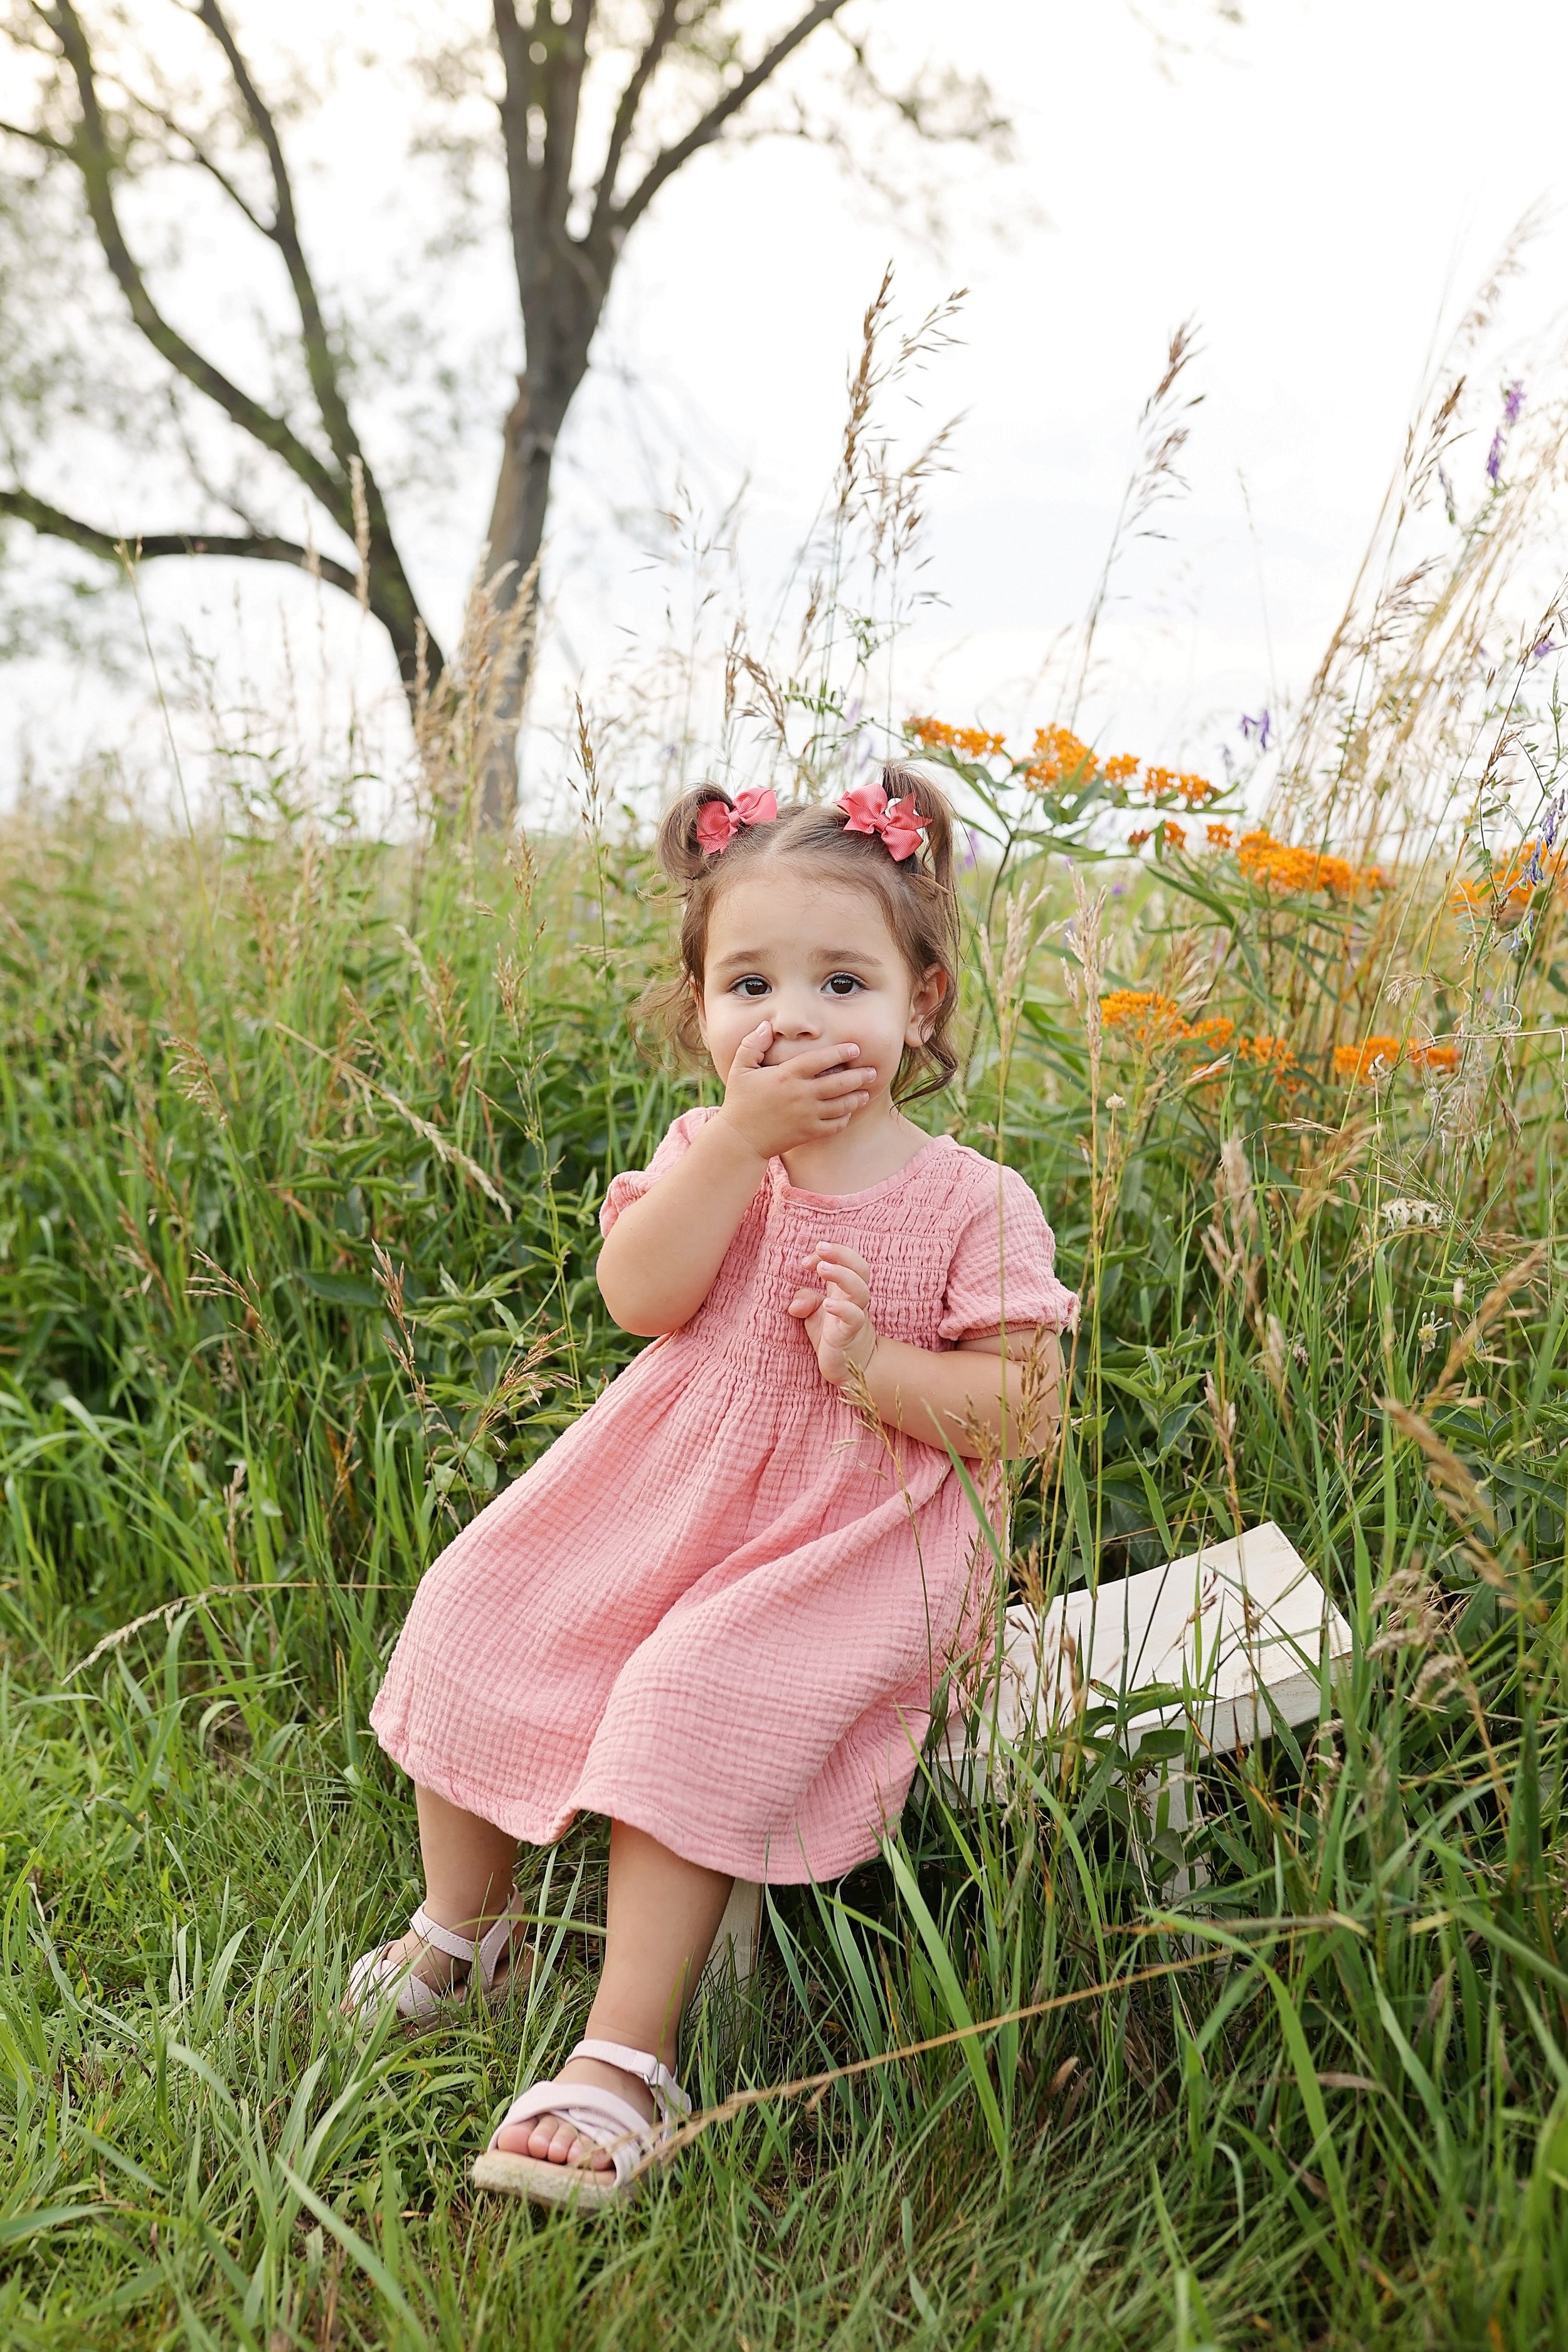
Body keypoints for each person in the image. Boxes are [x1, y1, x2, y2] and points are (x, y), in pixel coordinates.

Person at [351, 764, 1079, 2208]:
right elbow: (638, 1296)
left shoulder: (969, 1198)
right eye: (746, 983)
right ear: (697, 1010)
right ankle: (464, 1928)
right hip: (667, 1488)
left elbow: (1024, 1411)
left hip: (851, 1538)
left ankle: (624, 2055)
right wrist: (738, 1148)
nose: (790, 1017)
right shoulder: (707, 1153)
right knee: (480, 1598)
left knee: (693, 1687)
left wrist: (875, 1367)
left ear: (918, 1004)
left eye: (840, 983)